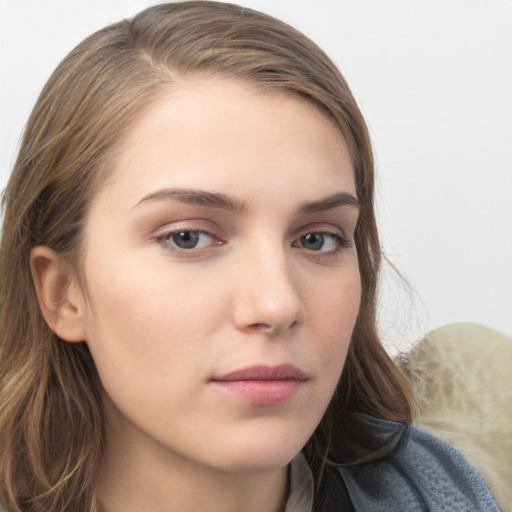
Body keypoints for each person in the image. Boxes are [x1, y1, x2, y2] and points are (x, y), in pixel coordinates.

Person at [0, 2, 499, 511]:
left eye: (317, 239)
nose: (276, 305)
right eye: (189, 237)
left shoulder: (449, 492)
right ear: (62, 293)